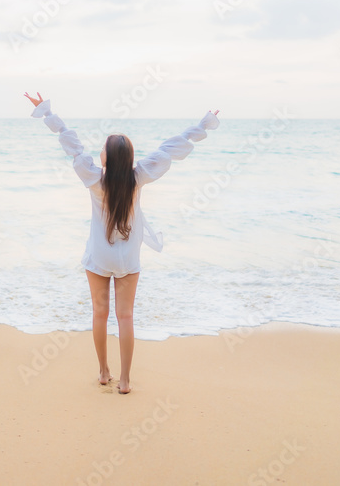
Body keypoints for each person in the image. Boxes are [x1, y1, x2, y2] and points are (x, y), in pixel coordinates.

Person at [24, 91, 220, 394]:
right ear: (128, 157)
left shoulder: (93, 178)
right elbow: (172, 148)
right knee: (125, 316)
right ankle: (126, 380)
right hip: (128, 258)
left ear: (105, 157)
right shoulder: (138, 176)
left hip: (99, 257)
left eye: (103, 148)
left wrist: (47, 112)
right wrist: (204, 124)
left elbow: (70, 143)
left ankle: (104, 372)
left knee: (99, 313)